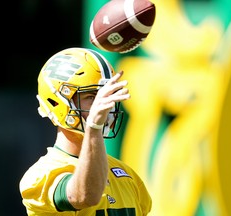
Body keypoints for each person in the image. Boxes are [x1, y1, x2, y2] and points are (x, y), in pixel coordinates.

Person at [19, 47, 152, 216]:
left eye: (107, 96)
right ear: (59, 103)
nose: (106, 106)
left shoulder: (128, 175)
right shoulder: (40, 176)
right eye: (91, 97)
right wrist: (94, 127)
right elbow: (84, 196)